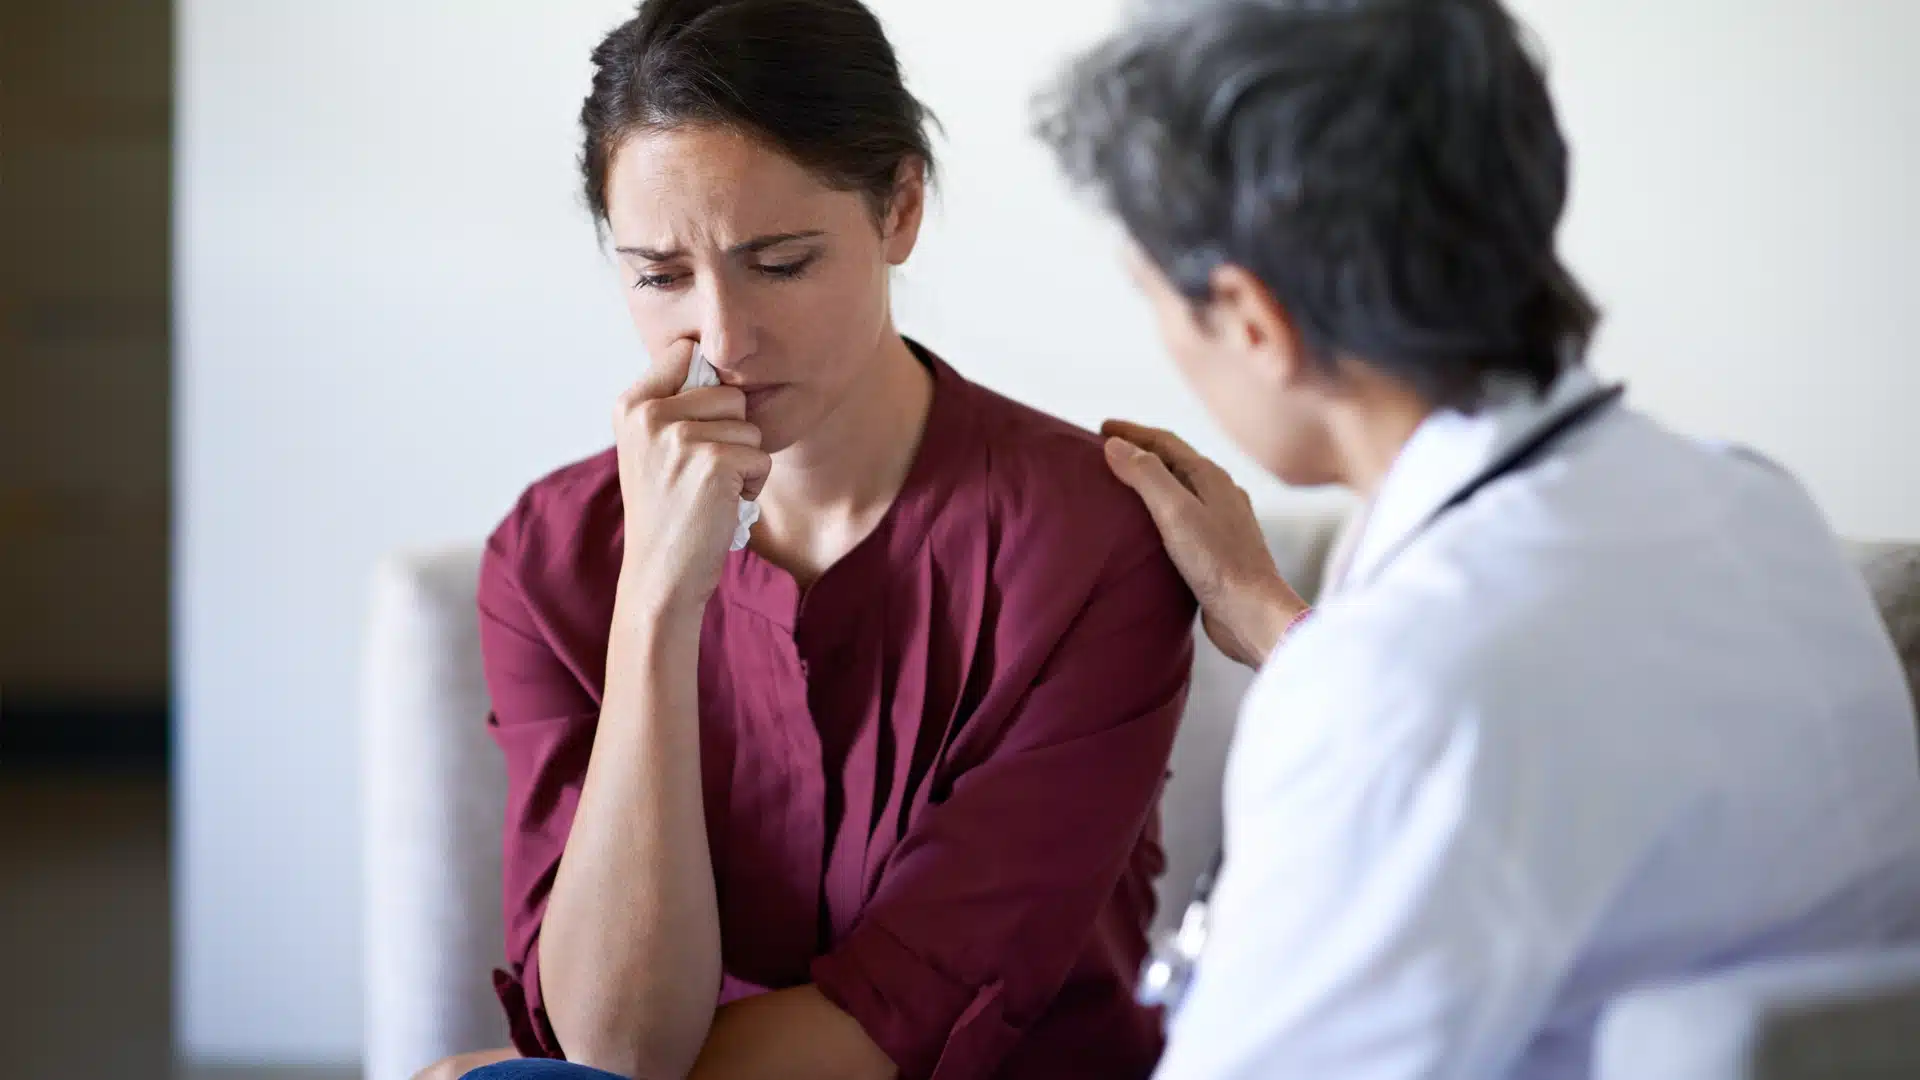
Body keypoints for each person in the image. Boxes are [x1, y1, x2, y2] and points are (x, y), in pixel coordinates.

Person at [1034, 1, 1920, 1078]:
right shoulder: (1753, 508)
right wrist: (1277, 621)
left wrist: (1339, 673)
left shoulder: (1406, 687)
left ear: (1253, 321)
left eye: (1154, 297)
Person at [410, 2, 1200, 1079]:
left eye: (779, 263)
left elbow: (905, 1018)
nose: (726, 339)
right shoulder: (554, 559)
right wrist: (655, 605)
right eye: (660, 277)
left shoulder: (1084, 545)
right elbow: (610, 1036)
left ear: (901, 209)